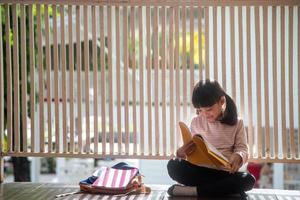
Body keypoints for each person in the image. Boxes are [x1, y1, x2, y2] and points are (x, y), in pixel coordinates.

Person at [167, 79, 255, 198]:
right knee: (173, 165)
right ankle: (222, 189)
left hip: (224, 173)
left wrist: (238, 156)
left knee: (248, 179)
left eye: (208, 109)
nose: (204, 114)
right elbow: (191, 152)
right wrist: (181, 153)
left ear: (221, 101)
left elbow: (242, 149)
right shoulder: (196, 122)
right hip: (201, 172)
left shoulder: (236, 123)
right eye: (200, 110)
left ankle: (193, 191)